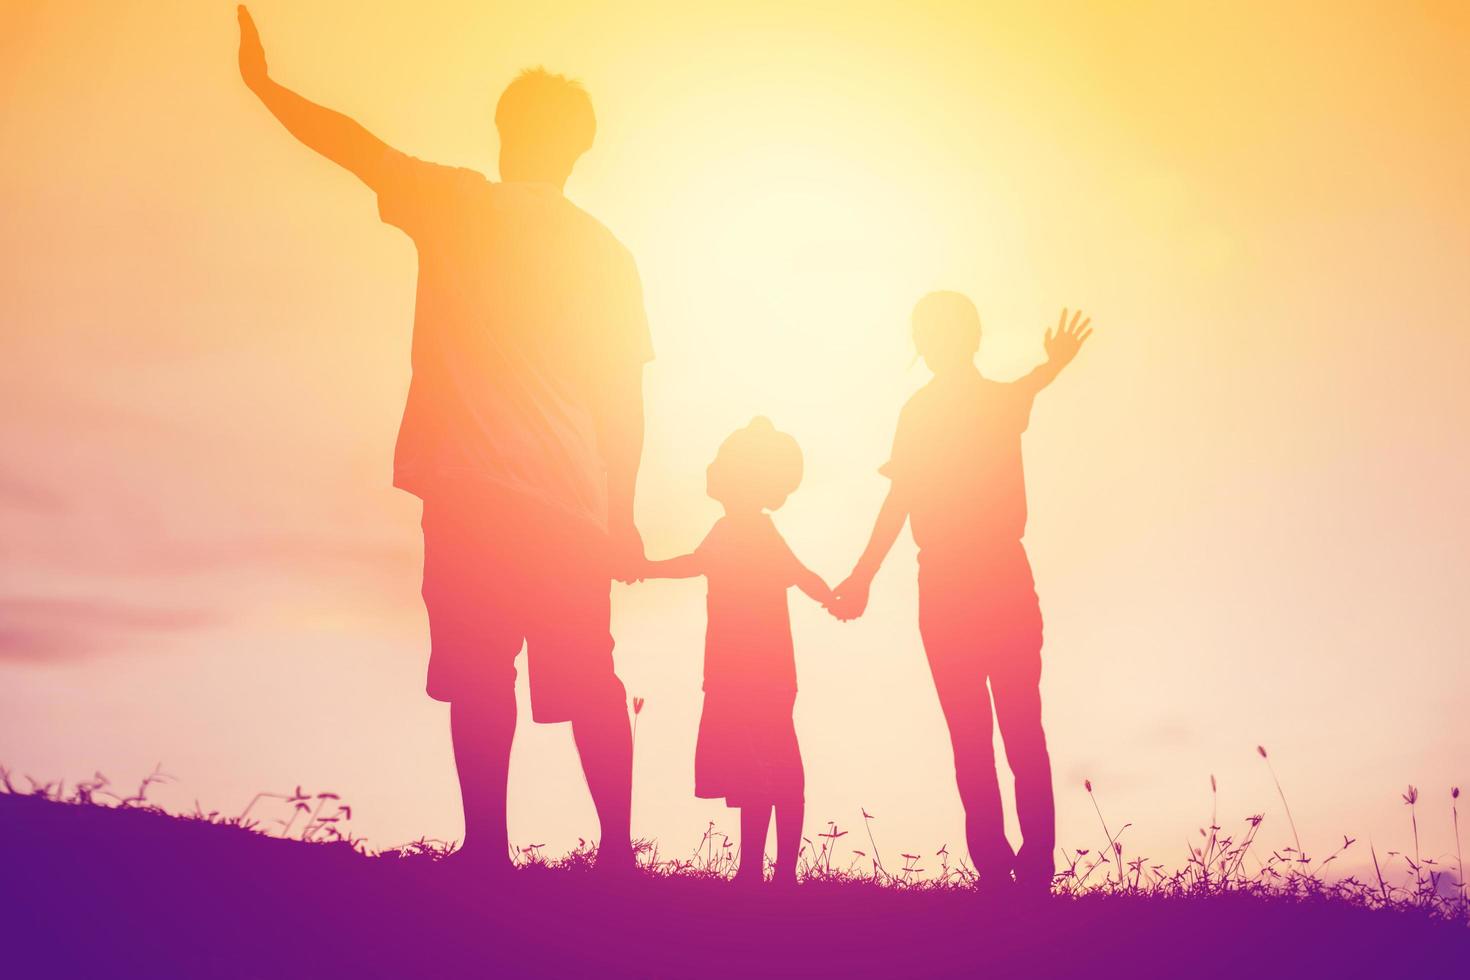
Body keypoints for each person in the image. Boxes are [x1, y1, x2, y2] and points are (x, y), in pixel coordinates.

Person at [236, 7, 652, 873]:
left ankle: (487, 854)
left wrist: (267, 89)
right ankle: (616, 856)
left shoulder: (457, 201)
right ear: (579, 149)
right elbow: (625, 401)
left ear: (505, 134)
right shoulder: (608, 253)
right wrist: (623, 512)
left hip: (474, 491)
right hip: (573, 498)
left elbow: (352, 144)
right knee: (590, 680)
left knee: (479, 672)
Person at [833, 295, 1093, 893]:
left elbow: (898, 502)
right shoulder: (982, 402)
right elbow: (1033, 383)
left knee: (979, 732)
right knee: (1013, 727)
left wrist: (864, 576)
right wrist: (1055, 362)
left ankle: (1007, 873)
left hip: (960, 580)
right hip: (985, 577)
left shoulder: (925, 411)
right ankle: (1024, 871)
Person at [639, 418, 836, 886]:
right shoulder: (754, 530)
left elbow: (695, 564)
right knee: (769, 763)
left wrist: (642, 568)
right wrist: (833, 599)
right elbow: (804, 576)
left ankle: (764, 871)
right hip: (764, 668)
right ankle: (769, 871)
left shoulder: (736, 530)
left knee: (766, 766)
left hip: (743, 669)